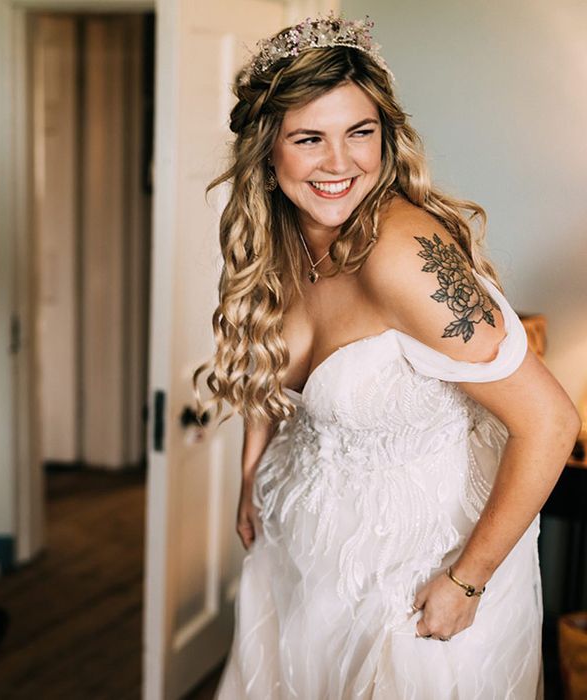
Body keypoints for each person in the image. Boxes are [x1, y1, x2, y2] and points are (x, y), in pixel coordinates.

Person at [192, 11, 581, 699]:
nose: (340, 164)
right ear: (267, 150)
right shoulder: (275, 239)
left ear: (386, 137)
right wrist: (251, 473)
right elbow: (273, 363)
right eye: (309, 138)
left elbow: (548, 422)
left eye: (360, 133)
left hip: (420, 573)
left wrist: (467, 580)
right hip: (307, 556)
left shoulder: (403, 258)